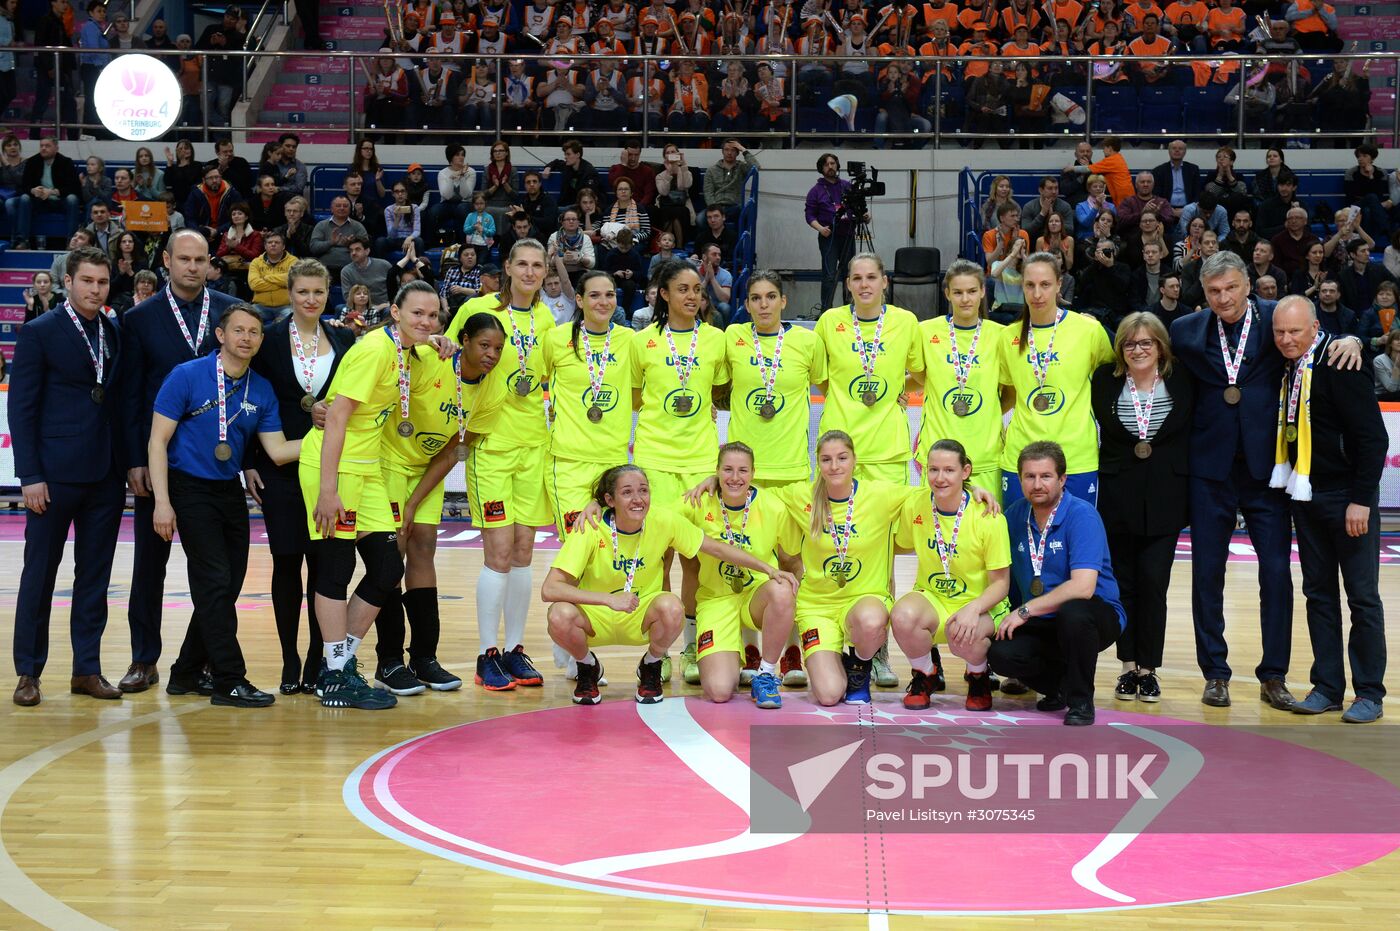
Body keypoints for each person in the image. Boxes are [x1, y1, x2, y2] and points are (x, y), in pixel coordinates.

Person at [1169, 250, 1363, 710]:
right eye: (1214, 291)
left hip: (1269, 471)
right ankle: (1214, 672)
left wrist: (1352, 337)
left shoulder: (1278, 317)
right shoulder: (1185, 331)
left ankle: (1273, 674)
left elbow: (1314, 336)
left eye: (1231, 288)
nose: (1223, 298)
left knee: (1276, 574)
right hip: (1210, 470)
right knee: (1206, 576)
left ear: (1248, 285)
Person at [148, 304, 299, 708]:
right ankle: (229, 679)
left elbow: (280, 451)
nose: (246, 338)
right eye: (238, 330)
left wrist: (334, 435)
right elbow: (157, 442)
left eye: (254, 332)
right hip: (188, 489)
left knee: (227, 586)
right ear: (221, 335)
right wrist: (162, 502)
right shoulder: (186, 375)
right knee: (213, 583)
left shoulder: (261, 389)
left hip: (229, 490)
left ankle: (184, 673)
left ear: (261, 340)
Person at [543, 464, 792, 705]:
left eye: (643, 490)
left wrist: (768, 568)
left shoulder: (663, 520)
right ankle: (587, 666)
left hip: (639, 614)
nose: (638, 499)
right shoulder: (590, 527)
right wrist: (608, 600)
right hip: (597, 617)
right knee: (559, 615)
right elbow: (550, 589)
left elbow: (716, 548)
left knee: (672, 607)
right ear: (610, 500)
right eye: (627, 492)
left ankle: (652, 664)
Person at [299, 285, 438, 710]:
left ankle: (338, 664)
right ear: (395, 311)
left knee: (386, 566)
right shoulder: (374, 350)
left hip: (369, 469)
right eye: (417, 314)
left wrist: (438, 340)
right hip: (335, 468)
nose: (425, 322)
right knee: (336, 568)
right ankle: (336, 674)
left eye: (433, 316)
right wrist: (328, 489)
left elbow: (431, 340)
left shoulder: (408, 349)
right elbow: (337, 416)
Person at [121, 230, 243, 695]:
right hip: (160, 462)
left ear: (210, 263)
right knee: (149, 567)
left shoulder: (230, 310)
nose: (192, 267)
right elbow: (130, 394)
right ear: (167, 261)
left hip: (214, 464)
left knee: (218, 573)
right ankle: (142, 659)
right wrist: (135, 459)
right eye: (184, 259)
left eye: (201, 260)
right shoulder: (140, 319)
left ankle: (204, 659)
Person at [10, 247, 123, 707]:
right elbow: (21, 408)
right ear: (68, 282)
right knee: (39, 575)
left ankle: (87, 670)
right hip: (53, 478)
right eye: (87, 281)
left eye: (102, 282)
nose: (95, 289)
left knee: (94, 577)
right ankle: (28, 672)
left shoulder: (113, 329)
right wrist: (30, 474)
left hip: (105, 475)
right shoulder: (39, 332)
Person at [439, 241, 555, 692]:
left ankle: (515, 649)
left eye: (537, 265)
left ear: (546, 272)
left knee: (525, 551)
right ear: (506, 268)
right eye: (521, 263)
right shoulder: (478, 308)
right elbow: (449, 356)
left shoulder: (547, 318)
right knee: (499, 552)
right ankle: (487, 654)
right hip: (491, 446)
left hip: (534, 447)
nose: (529, 271)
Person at [375, 305, 509, 696]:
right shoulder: (434, 359)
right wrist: (429, 338)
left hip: (427, 467)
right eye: (484, 345)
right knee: (391, 553)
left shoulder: (494, 386)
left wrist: (416, 502)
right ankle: (388, 661)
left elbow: (454, 450)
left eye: (499, 349)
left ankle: (424, 658)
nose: (491, 355)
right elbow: (398, 344)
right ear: (463, 341)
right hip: (389, 461)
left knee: (424, 546)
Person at [1269, 297, 1386, 723]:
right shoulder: (1287, 364)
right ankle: (1328, 687)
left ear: (1315, 327)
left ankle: (1370, 692)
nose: (1286, 339)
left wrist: (1361, 498)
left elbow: (1374, 439)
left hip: (1347, 499)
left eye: (1295, 332)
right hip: (1306, 497)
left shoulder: (1341, 361)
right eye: (1280, 332)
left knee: (1362, 597)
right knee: (1318, 595)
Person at [243, 260, 351, 693]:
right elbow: (248, 399)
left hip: (328, 470)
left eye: (319, 293)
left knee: (324, 568)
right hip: (281, 467)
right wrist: (249, 460)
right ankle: (289, 659)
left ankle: (315, 660)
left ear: (328, 295)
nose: (311, 299)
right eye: (303, 292)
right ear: (290, 293)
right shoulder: (267, 341)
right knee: (287, 563)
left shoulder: (344, 339)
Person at [717, 272, 824, 685]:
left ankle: (791, 648)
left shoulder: (806, 342)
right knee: (743, 557)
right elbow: (716, 386)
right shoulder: (732, 339)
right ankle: (748, 645)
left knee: (792, 563)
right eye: (755, 298)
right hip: (745, 476)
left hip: (792, 472)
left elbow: (826, 384)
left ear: (783, 301)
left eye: (771, 297)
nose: (763, 305)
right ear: (746, 304)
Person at [631, 258, 732, 682]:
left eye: (697, 290)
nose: (693, 296)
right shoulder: (641, 343)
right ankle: (660, 652)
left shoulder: (716, 340)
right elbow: (636, 398)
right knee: (660, 556)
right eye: (684, 289)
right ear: (664, 294)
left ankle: (692, 647)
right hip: (654, 461)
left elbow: (723, 392)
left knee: (695, 558)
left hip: (699, 464)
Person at [1090, 312, 1195, 703]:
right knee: (1123, 585)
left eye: (1146, 342)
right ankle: (1127, 666)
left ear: (1161, 346)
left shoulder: (1183, 378)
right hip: (1117, 495)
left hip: (1167, 496)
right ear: (1120, 348)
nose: (1138, 350)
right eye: (1130, 343)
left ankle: (1149, 669)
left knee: (1154, 583)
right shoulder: (1104, 379)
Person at [768, 431, 909, 705]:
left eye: (842, 458)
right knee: (829, 694)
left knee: (870, 620)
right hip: (816, 607)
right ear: (818, 463)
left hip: (863, 599)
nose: (834, 466)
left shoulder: (881, 494)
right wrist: (714, 482)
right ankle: (836, 662)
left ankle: (859, 667)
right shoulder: (802, 495)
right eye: (826, 459)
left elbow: (932, 493)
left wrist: (973, 489)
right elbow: (753, 493)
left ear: (855, 460)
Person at [989, 441, 1125, 725]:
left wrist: (1024, 611)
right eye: (1029, 476)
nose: (1037, 484)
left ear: (1062, 479)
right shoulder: (1013, 515)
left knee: (1073, 614)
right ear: (1020, 479)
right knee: (1000, 654)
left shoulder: (1082, 515)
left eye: (1046, 476)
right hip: (1043, 619)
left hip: (1093, 614)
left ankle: (1081, 701)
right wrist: (976, 493)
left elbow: (1083, 587)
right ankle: (1058, 686)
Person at [892, 439, 1011, 711]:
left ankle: (978, 675)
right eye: (933, 470)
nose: (940, 478)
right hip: (934, 596)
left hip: (980, 603)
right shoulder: (916, 504)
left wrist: (973, 608)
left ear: (965, 472)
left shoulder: (988, 517)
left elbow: (1001, 584)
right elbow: (899, 541)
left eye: (949, 470)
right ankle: (926, 674)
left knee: (963, 635)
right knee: (901, 615)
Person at [678, 443, 800, 708]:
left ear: (754, 472)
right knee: (719, 691)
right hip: (715, 599)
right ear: (717, 471)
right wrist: (598, 501)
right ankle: (734, 660)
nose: (735, 478)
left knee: (782, 588)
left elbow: (792, 558)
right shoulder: (697, 502)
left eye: (743, 470)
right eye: (728, 470)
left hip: (756, 595)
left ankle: (766, 674)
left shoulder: (773, 507)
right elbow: (649, 514)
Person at [999, 252, 1114, 505]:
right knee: (1019, 542)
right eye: (1030, 285)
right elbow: (1006, 394)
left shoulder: (1089, 330)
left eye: (1045, 285)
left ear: (1059, 285)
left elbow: (1112, 383)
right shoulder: (1007, 337)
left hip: (1075, 457)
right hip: (1021, 455)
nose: (1037, 294)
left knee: (1077, 539)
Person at [806, 153, 856, 314]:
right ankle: (826, 312)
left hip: (847, 234)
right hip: (828, 236)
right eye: (827, 164)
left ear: (837, 165)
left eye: (833, 163)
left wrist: (864, 216)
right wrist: (820, 228)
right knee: (829, 275)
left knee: (849, 274)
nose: (830, 167)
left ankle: (850, 310)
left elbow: (856, 208)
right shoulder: (816, 190)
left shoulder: (847, 186)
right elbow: (809, 215)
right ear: (821, 168)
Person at [16, 135, 81, 251]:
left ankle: (71, 241)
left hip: (60, 201)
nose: (43, 148)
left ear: (56, 148)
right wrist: (33, 190)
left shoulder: (66, 162)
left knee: (72, 199)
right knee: (25, 198)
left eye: (47, 146)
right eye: (41, 146)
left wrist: (52, 192)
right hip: (39, 201)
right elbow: (23, 186)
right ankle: (23, 241)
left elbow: (75, 188)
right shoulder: (32, 161)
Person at [310, 197, 369, 280]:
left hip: (351, 267)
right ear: (331, 209)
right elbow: (313, 248)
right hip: (326, 267)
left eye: (345, 206)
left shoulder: (358, 226)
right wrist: (331, 242)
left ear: (350, 209)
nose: (342, 208)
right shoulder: (321, 225)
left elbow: (366, 248)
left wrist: (350, 245)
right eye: (338, 206)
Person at [1151, 139, 1202, 216]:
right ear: (1169, 151)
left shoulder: (1193, 169)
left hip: (1189, 209)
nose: (1177, 150)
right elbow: (1157, 195)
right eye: (1174, 148)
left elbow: (1197, 193)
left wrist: (1187, 209)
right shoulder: (1158, 171)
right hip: (1166, 210)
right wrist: (1169, 209)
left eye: (1180, 149)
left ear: (1185, 152)